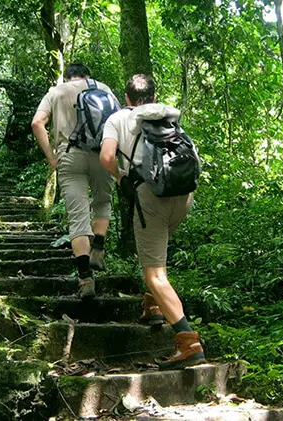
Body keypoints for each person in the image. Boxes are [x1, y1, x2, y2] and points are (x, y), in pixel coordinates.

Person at [99, 74, 205, 370]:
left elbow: (106, 157)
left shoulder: (117, 118)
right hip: (183, 193)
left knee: (154, 274)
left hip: (151, 195)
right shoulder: (167, 116)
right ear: (154, 96)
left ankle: (188, 342)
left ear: (126, 97)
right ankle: (153, 306)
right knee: (156, 254)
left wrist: (120, 176)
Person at [31, 64, 116, 298]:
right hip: (101, 154)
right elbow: (119, 122)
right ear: (87, 76)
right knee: (102, 201)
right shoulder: (103, 88)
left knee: (78, 217)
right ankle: (98, 248)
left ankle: (85, 278)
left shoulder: (56, 92)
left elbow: (37, 123)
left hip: (69, 155)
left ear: (66, 77)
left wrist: (52, 158)